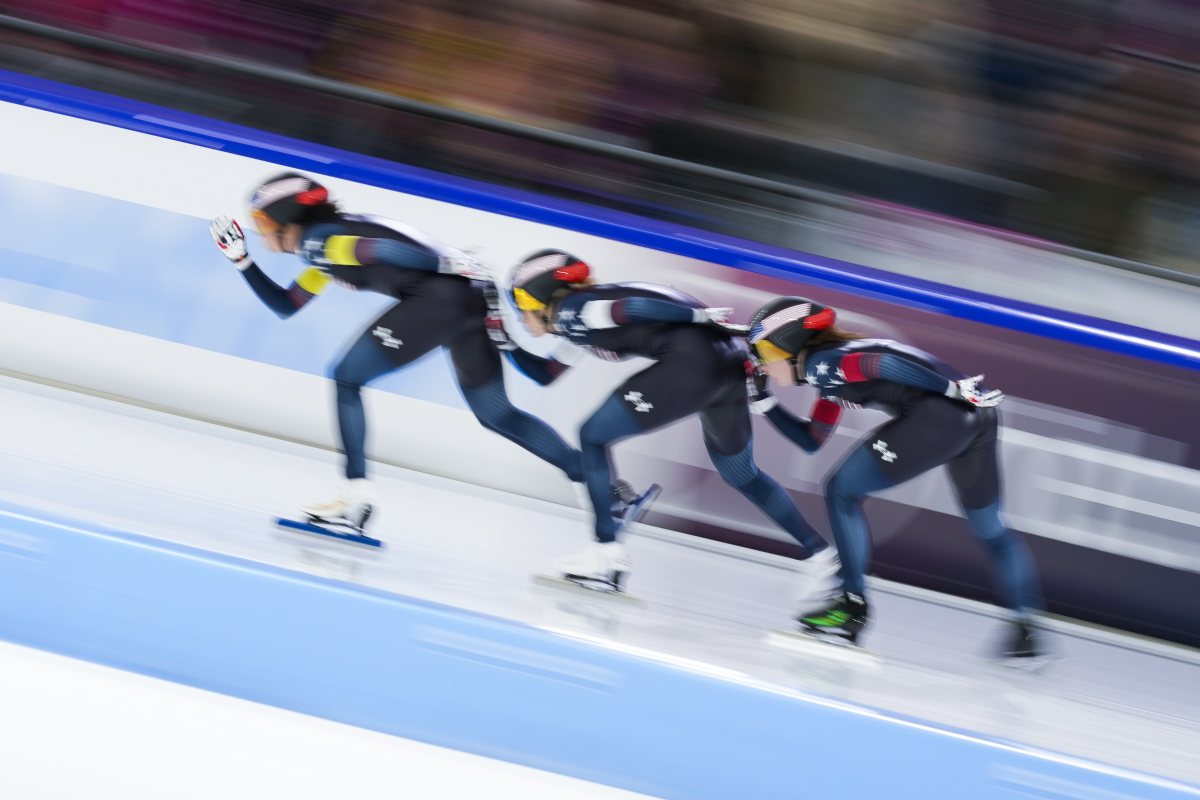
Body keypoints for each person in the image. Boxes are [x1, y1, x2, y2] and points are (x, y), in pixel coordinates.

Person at [209, 172, 586, 533]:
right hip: (471, 297)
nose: (258, 231)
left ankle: (353, 498)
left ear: (284, 218)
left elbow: (379, 249)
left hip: (442, 297)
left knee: (347, 376)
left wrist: (450, 261)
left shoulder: (317, 241)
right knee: (498, 414)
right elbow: (288, 304)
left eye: (259, 221)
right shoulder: (325, 245)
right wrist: (241, 260)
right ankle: (600, 485)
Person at [495, 250, 838, 592]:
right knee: (743, 475)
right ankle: (823, 559)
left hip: (691, 364)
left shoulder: (574, 311)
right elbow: (546, 373)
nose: (520, 315)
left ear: (540, 297)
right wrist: (504, 339)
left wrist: (697, 316)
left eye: (521, 302)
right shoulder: (577, 320)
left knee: (592, 436)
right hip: (728, 367)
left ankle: (605, 554)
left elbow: (630, 309)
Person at [746, 296, 1044, 659]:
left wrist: (950, 390)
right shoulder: (827, 372)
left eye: (763, 351)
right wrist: (763, 400)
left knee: (842, 491)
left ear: (789, 344)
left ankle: (850, 606)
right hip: (977, 418)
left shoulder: (825, 363)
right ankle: (1026, 629)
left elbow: (881, 363)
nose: (760, 362)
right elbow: (812, 440)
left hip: (943, 413)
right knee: (989, 527)